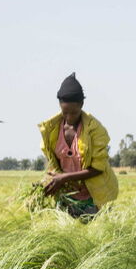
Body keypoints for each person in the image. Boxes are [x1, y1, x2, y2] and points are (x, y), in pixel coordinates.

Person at [37, 73, 118, 219]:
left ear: (81, 105)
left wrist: (65, 178)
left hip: (93, 197)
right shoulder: (50, 130)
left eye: (74, 113)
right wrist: (48, 181)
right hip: (66, 197)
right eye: (65, 112)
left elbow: (98, 168)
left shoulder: (95, 129)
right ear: (59, 105)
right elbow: (52, 162)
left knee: (95, 232)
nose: (69, 117)